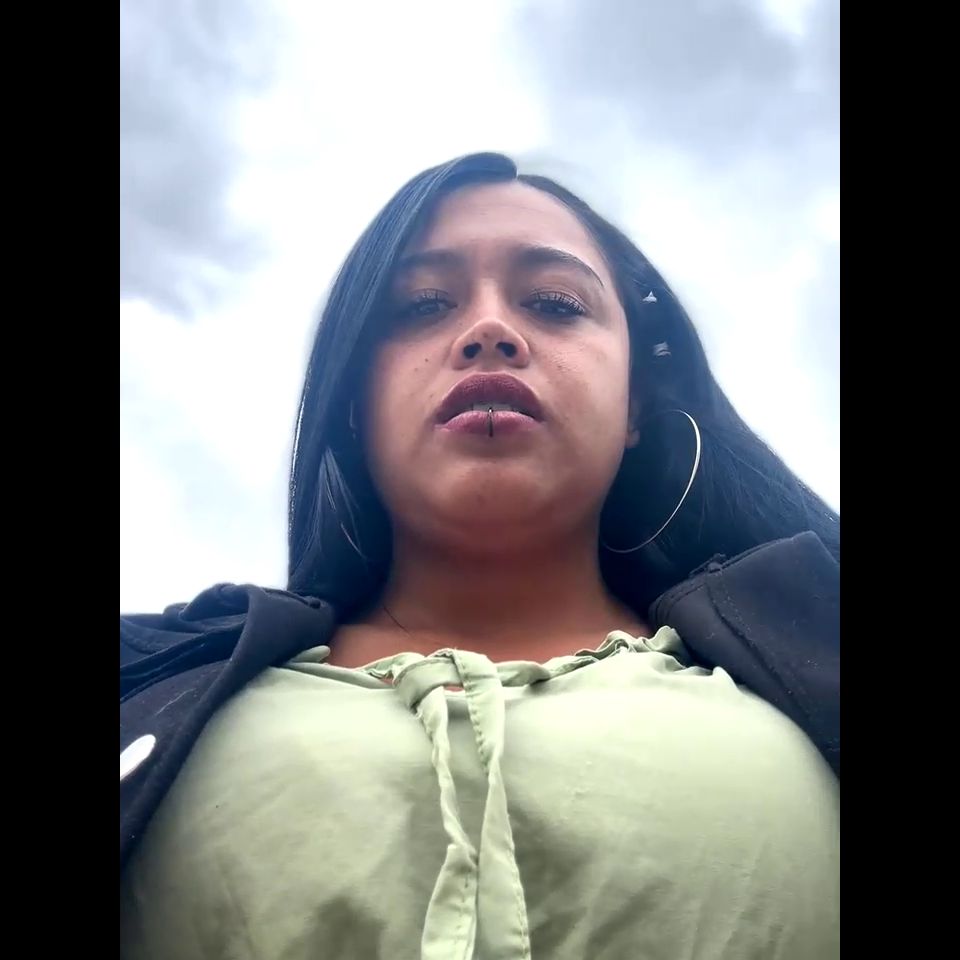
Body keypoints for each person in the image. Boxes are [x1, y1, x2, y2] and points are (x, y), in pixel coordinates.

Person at [120, 152, 840, 959]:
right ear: (353, 405)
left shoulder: (816, 667)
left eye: (556, 303)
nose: (488, 329)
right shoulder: (147, 678)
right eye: (423, 305)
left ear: (635, 401)